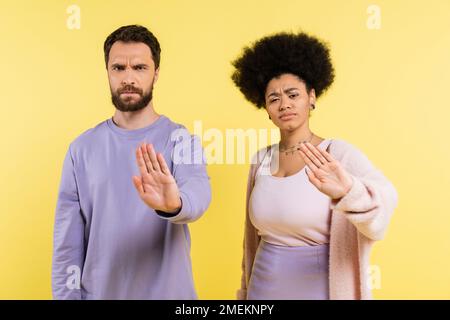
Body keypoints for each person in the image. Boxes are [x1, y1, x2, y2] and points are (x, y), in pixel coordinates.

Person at [231, 32, 398, 300]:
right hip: (261, 291)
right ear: (265, 108)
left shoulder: (337, 154)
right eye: (273, 98)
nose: (284, 103)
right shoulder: (260, 160)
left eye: (292, 94)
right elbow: (250, 243)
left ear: (311, 97)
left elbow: (385, 202)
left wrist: (349, 191)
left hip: (320, 290)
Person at [52, 25, 211, 299]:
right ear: (108, 73)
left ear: (156, 73)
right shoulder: (81, 149)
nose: (128, 78)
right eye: (118, 68)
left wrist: (175, 204)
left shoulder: (180, 140)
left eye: (139, 67)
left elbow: (198, 192)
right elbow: (67, 245)